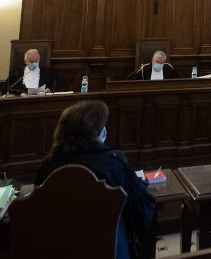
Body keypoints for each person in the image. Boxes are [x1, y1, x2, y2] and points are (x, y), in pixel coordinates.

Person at [36, 100, 156, 259]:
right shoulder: (114, 163)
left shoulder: (48, 168)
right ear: (96, 132)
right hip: (112, 250)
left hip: (60, 250)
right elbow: (142, 210)